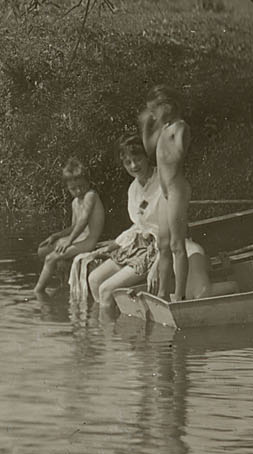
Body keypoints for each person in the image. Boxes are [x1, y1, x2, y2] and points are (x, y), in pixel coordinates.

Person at [76, 135, 161, 315]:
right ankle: (108, 325)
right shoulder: (133, 188)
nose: (133, 166)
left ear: (147, 157)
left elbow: (167, 230)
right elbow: (137, 225)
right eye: (128, 162)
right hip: (136, 246)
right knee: (94, 278)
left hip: (158, 248)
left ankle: (108, 337)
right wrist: (113, 245)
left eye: (137, 159)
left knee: (106, 289)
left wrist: (158, 263)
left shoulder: (163, 182)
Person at [141, 87, 194, 303]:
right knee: (162, 244)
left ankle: (179, 295)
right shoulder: (164, 128)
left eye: (155, 111)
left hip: (177, 190)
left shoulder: (180, 127)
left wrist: (166, 137)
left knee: (176, 245)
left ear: (167, 106)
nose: (153, 116)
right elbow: (148, 149)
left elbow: (179, 153)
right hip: (164, 193)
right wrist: (147, 128)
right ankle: (163, 292)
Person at [33, 157, 107, 295]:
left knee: (51, 258)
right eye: (73, 188)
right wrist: (57, 235)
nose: (78, 191)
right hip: (79, 239)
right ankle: (63, 284)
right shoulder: (75, 202)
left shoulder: (90, 196)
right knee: (42, 250)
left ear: (87, 182)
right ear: (67, 187)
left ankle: (38, 292)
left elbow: (83, 220)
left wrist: (69, 241)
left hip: (89, 241)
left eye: (81, 186)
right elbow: (74, 226)